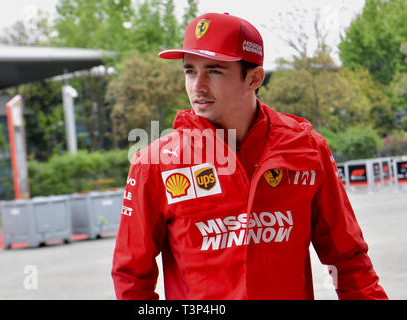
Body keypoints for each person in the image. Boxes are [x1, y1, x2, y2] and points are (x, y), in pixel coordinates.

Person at [111, 12, 388, 300]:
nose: (198, 85)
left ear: (254, 77)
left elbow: (349, 260)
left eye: (214, 71)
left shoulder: (307, 149)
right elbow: (131, 275)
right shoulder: (154, 163)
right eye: (190, 71)